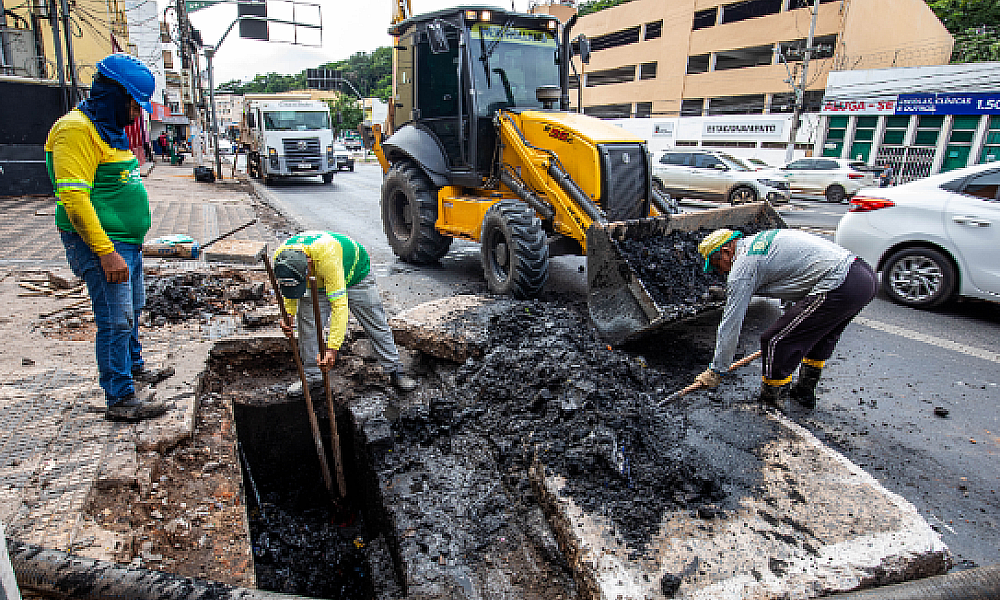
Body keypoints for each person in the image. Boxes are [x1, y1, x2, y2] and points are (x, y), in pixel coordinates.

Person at [45, 53, 173, 422]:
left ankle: (133, 368)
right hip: (103, 245)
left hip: (124, 243)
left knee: (133, 308)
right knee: (116, 319)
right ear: (114, 96)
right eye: (133, 105)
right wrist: (105, 251)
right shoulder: (75, 130)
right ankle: (120, 397)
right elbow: (73, 197)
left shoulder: (108, 131)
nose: (135, 115)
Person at [691, 228, 878, 409]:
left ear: (726, 251)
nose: (720, 272)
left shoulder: (743, 267)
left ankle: (772, 402)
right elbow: (792, 281)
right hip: (862, 276)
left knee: (775, 340)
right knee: (818, 338)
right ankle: (804, 393)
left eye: (717, 265)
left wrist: (717, 370)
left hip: (840, 282)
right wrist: (792, 322)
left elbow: (731, 323)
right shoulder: (759, 243)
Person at [273, 231, 417, 394]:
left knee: (375, 323)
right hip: (316, 282)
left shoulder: (327, 256)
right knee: (307, 326)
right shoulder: (281, 258)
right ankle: (313, 377)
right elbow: (290, 287)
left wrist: (332, 349)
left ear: (309, 262)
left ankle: (395, 370)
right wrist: (289, 314)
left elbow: (339, 307)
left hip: (355, 275)